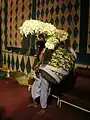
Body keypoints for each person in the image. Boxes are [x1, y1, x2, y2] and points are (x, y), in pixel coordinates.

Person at [28, 36, 77, 115]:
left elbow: (46, 60)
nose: (38, 45)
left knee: (45, 88)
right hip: (41, 70)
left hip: (48, 72)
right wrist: (36, 68)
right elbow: (38, 59)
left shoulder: (51, 49)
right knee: (35, 85)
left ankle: (43, 107)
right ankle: (35, 102)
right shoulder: (41, 49)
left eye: (40, 43)